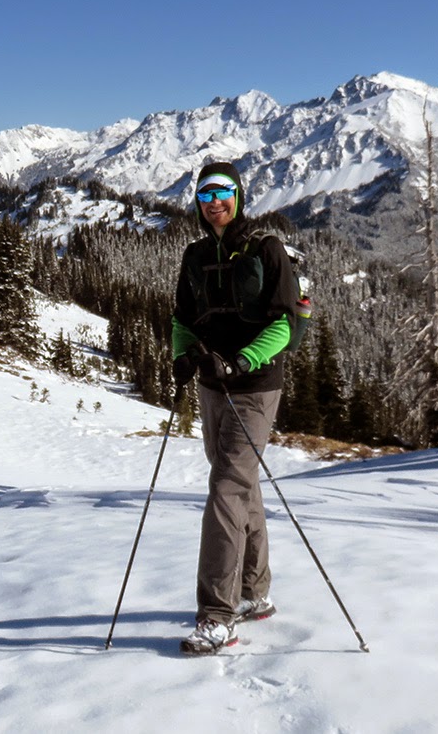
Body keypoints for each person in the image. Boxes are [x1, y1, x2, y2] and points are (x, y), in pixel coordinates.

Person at [170, 160, 297, 654]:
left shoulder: (266, 248)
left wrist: (243, 361)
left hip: (255, 386)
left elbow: (284, 324)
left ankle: (217, 615)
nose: (214, 201)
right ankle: (254, 593)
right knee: (241, 484)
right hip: (210, 386)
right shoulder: (195, 254)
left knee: (225, 488)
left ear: (239, 195)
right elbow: (182, 317)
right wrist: (183, 356)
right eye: (205, 194)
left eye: (223, 191)